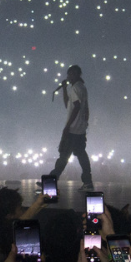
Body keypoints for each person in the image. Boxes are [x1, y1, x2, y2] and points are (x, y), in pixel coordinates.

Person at [47, 64, 94, 192]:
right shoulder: (81, 88)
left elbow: (77, 106)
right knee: (81, 154)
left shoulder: (75, 88)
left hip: (73, 129)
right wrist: (64, 89)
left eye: (70, 74)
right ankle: (88, 182)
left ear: (75, 74)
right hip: (80, 129)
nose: (68, 77)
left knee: (64, 155)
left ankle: (51, 182)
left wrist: (67, 126)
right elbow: (69, 105)